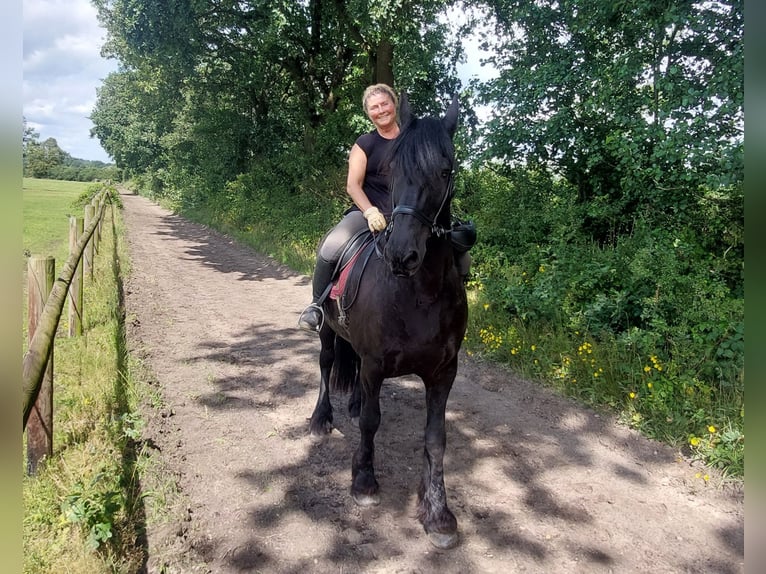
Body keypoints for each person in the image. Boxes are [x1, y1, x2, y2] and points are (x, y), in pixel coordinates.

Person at [298, 83, 401, 333]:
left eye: (384, 104)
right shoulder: (365, 143)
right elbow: (353, 185)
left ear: (394, 104)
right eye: (374, 107)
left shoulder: (412, 137)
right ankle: (316, 307)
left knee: (458, 244)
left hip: (409, 214)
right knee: (332, 245)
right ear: (369, 114)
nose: (381, 110)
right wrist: (370, 211)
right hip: (369, 214)